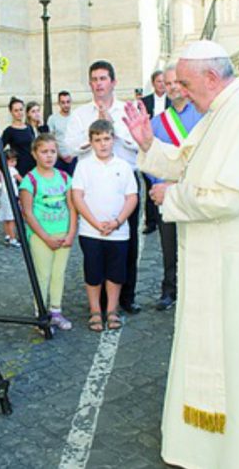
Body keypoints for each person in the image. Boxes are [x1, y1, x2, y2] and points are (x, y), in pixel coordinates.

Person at [123, 39, 239, 468]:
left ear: (211, 77)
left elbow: (231, 196)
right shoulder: (221, 110)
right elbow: (187, 161)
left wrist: (171, 197)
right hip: (217, 260)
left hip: (233, 267)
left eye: (184, 82)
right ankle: (211, 442)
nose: (178, 89)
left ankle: (228, 450)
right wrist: (147, 143)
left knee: (228, 357)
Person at [64, 60, 142, 315]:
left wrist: (113, 126)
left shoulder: (126, 110)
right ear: (90, 84)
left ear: (113, 82)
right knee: (94, 244)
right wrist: (94, 134)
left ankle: (125, 298)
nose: (98, 84)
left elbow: (137, 143)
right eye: (94, 80)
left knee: (125, 244)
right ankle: (99, 302)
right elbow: (70, 146)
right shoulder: (80, 114)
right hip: (91, 184)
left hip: (123, 181)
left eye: (103, 79)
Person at [146, 64, 203, 311]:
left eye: (175, 82)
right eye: (167, 84)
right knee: (169, 246)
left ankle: (196, 292)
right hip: (167, 196)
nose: (172, 87)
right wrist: (160, 185)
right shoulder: (157, 122)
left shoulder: (203, 116)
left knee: (197, 246)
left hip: (194, 193)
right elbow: (148, 158)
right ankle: (169, 290)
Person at [72, 119, 138, 331]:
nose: (103, 144)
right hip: (91, 232)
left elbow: (132, 197)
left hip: (118, 232)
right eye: (97, 140)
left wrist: (117, 222)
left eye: (107, 139)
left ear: (114, 140)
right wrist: (96, 223)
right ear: (90, 142)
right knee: (93, 273)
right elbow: (78, 197)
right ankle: (95, 311)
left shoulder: (124, 166)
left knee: (115, 274)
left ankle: (112, 309)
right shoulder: (83, 166)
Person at [19, 133, 77, 331]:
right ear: (35, 154)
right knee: (43, 275)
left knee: (58, 274)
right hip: (41, 237)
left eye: (53, 151)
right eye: (44, 152)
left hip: (62, 234)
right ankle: (41, 315)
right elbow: (28, 213)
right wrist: (45, 237)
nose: (49, 156)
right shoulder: (30, 180)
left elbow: (71, 207)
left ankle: (56, 311)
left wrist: (70, 234)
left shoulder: (64, 177)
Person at [140, 70, 171, 235]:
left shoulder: (172, 101)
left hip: (168, 147)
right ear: (153, 83)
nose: (162, 84)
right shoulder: (145, 102)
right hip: (150, 147)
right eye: (159, 81)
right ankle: (151, 221)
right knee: (150, 185)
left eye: (164, 81)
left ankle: (167, 216)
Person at [1, 97, 36, 178]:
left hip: (33, 166)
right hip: (19, 168)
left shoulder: (29, 128)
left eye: (21, 109)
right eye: (16, 110)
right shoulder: (9, 131)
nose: (19, 113)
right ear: (11, 112)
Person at [0, 148, 22, 248]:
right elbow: (20, 179)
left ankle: (7, 235)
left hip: (4, 195)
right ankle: (12, 238)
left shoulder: (3, 170)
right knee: (11, 218)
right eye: (12, 161)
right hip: (11, 195)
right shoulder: (12, 170)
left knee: (6, 217)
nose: (14, 163)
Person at [48, 91, 75, 174]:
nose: (66, 105)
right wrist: (60, 155)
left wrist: (74, 154)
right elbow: (50, 140)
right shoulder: (53, 119)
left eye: (68, 102)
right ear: (58, 103)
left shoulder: (76, 117)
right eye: (63, 102)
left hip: (74, 157)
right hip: (58, 159)